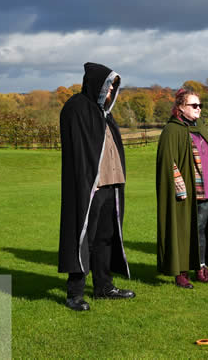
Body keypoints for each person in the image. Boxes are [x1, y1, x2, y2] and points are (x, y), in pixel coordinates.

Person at [58, 62, 135, 311]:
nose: (111, 91)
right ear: (96, 84)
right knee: (83, 238)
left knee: (106, 238)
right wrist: (86, 181)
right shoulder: (76, 108)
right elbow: (79, 152)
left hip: (111, 186)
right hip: (90, 188)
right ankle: (75, 293)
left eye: (113, 87)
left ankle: (104, 286)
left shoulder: (104, 114)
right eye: (108, 86)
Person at [156, 88, 208, 289]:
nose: (198, 109)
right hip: (186, 192)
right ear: (180, 107)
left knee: (201, 231)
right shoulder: (172, 130)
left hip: (206, 190)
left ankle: (201, 269)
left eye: (200, 105)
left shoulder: (200, 128)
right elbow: (169, 163)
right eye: (194, 105)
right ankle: (181, 272)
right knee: (184, 231)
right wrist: (179, 188)